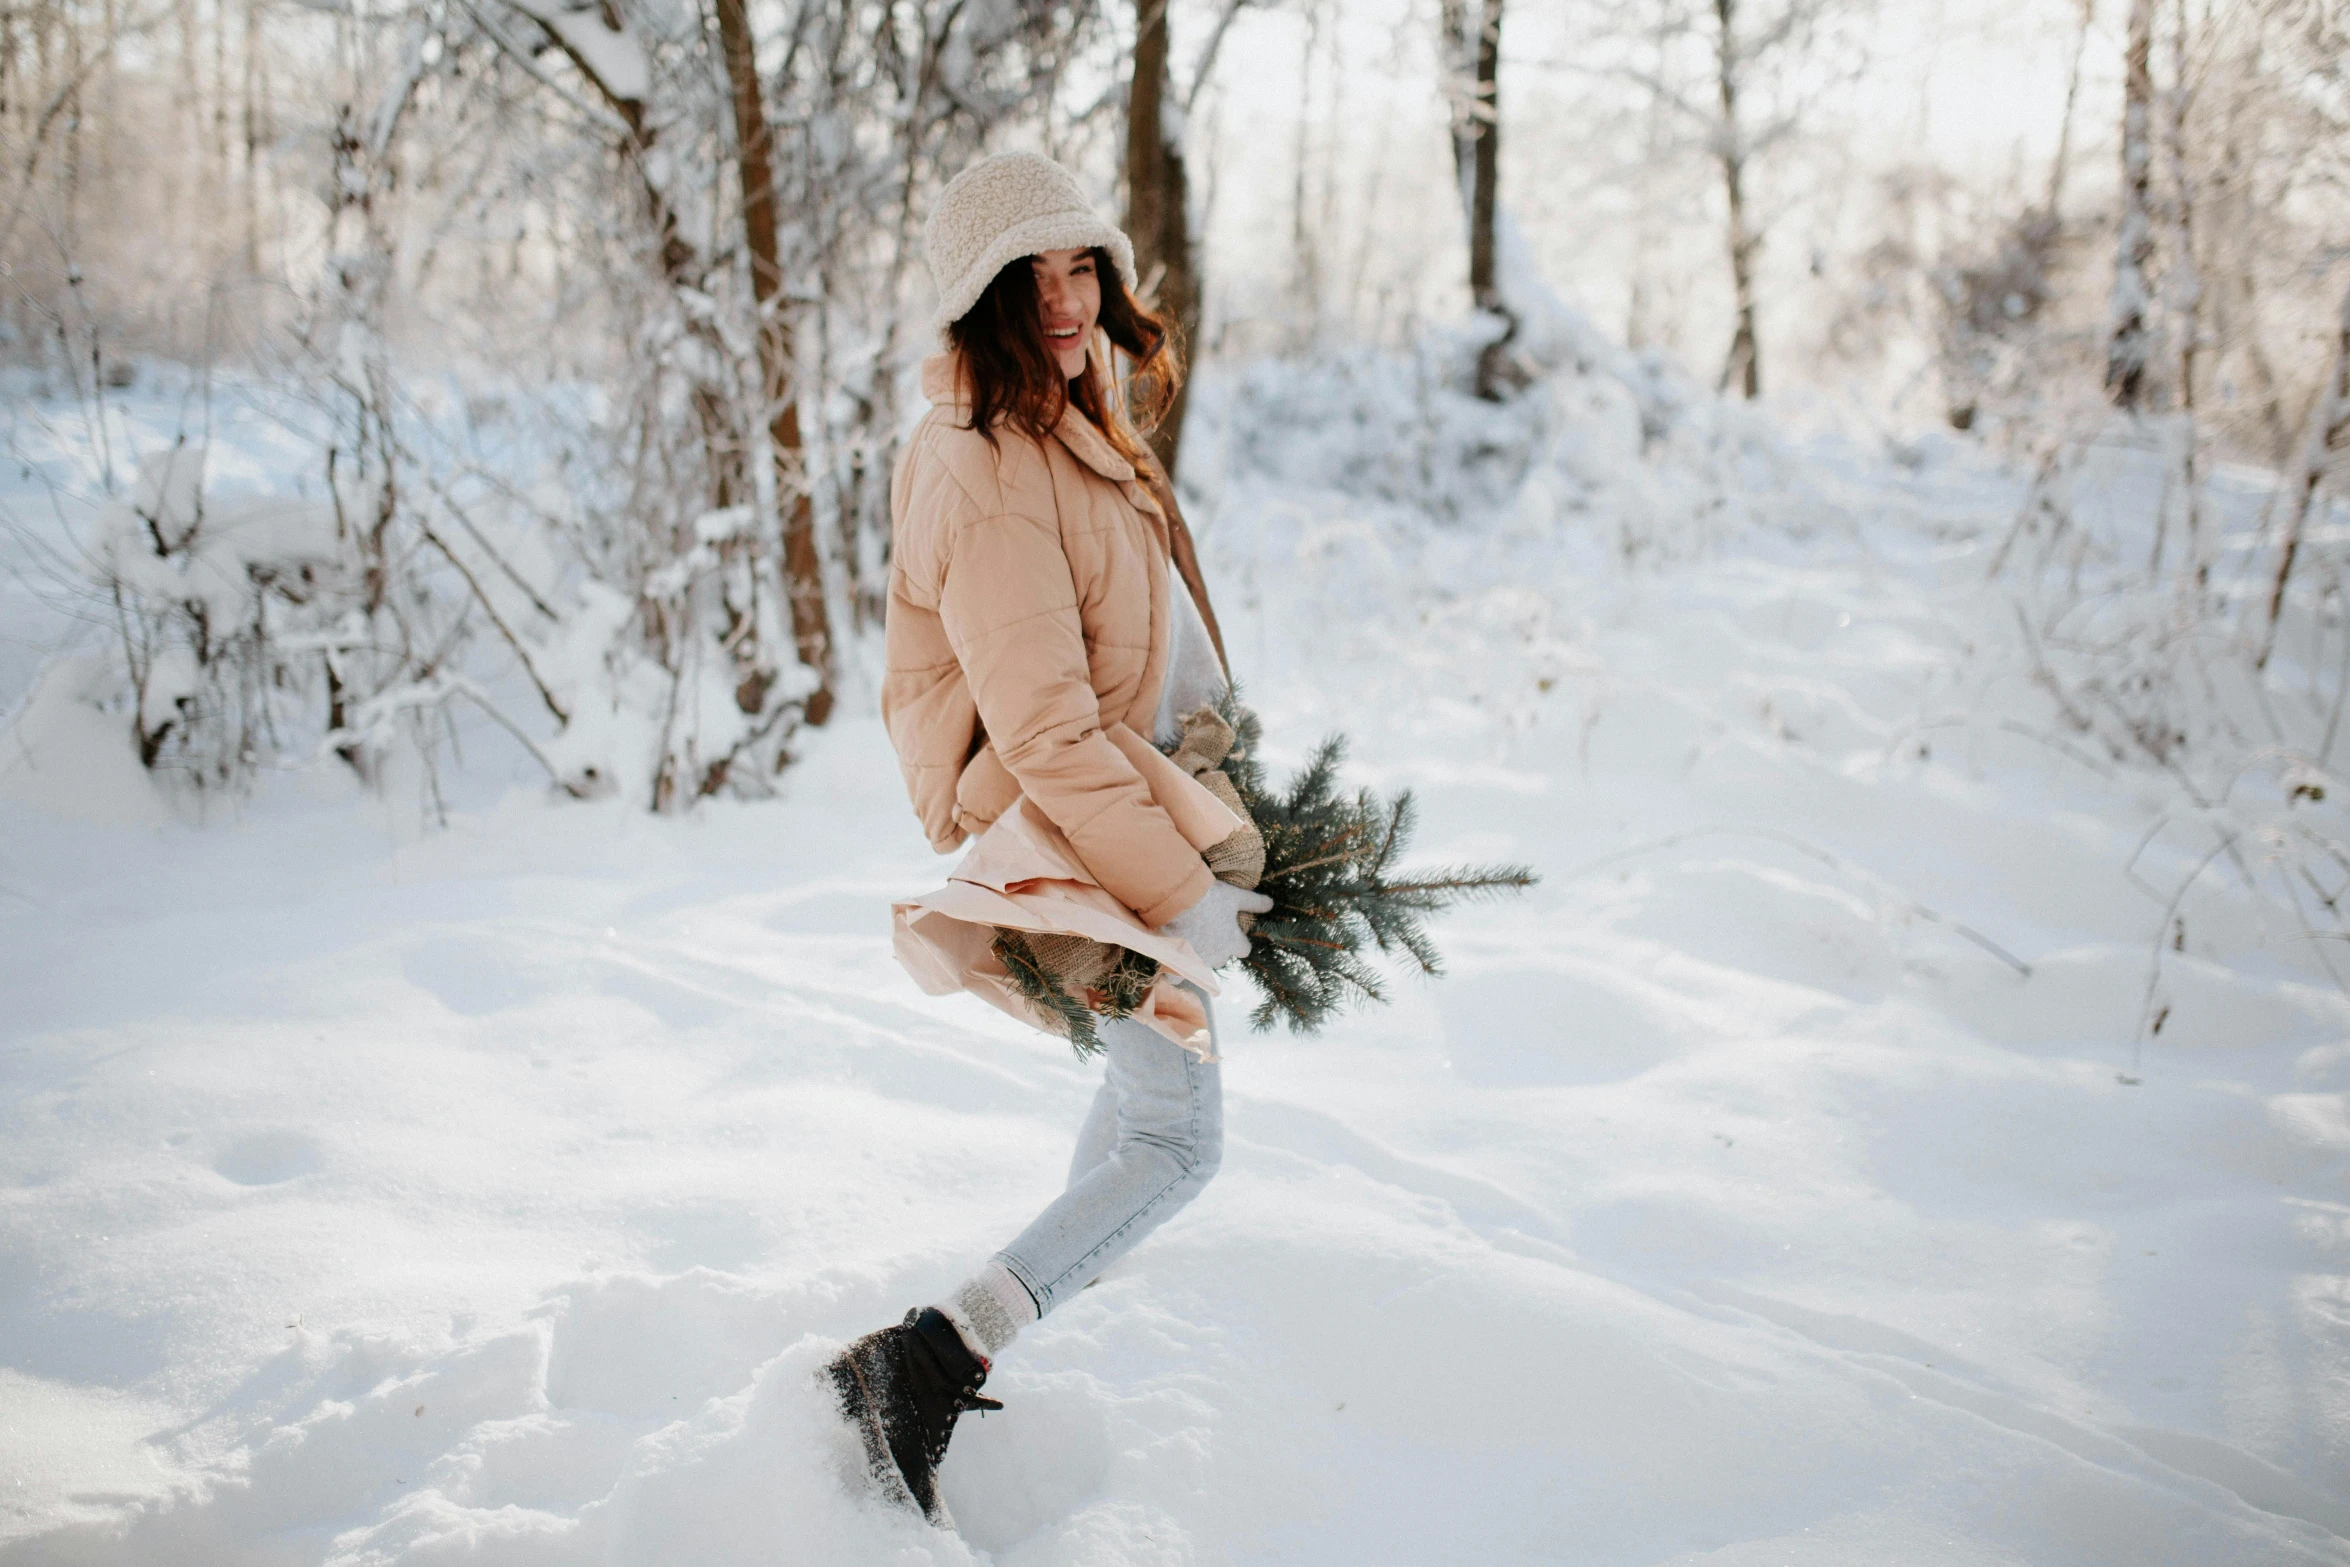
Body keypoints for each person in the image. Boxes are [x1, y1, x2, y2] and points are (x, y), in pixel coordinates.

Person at [824, 151, 1272, 1528]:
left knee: (1146, 1114)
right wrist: (1176, 884)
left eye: (1082, 265)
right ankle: (922, 1360)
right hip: (1060, 835)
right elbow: (1042, 729)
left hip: (1115, 816)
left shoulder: (1064, 425)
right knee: (1177, 1140)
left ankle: (1053, 1313)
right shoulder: (980, 463)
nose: (1068, 300)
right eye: (1034, 278)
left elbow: (1138, 651)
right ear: (981, 300)